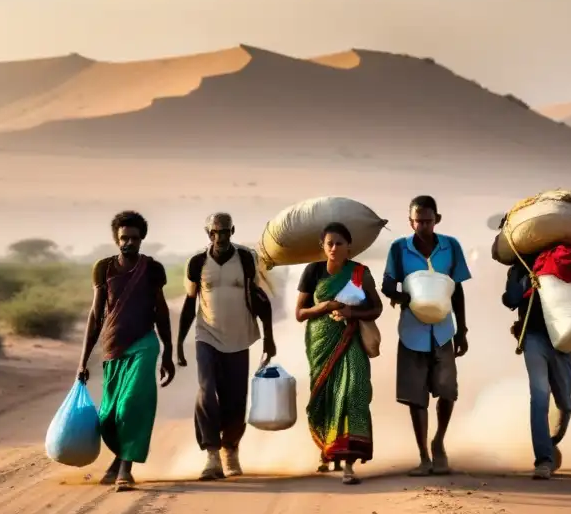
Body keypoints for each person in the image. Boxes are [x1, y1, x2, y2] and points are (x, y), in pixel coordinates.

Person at [77, 211, 175, 491]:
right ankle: (118, 460)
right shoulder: (104, 269)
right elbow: (96, 316)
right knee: (110, 416)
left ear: (142, 239)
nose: (128, 242)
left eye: (134, 238)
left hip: (144, 344)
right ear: (116, 239)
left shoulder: (153, 269)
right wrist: (82, 361)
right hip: (112, 348)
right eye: (123, 238)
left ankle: (125, 470)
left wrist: (168, 351)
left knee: (132, 405)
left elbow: (162, 311)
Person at [177, 212, 276, 481]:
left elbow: (259, 298)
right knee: (207, 391)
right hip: (206, 335)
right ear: (207, 233)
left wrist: (268, 337)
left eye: (224, 232)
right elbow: (189, 303)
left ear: (232, 231)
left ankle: (230, 449)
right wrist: (178, 345)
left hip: (239, 336)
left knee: (235, 399)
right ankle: (211, 454)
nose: (219, 237)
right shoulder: (197, 262)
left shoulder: (245, 258)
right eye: (214, 232)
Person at [381, 196, 471, 476]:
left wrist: (462, 330)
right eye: (418, 221)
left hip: (444, 331)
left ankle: (439, 442)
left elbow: (457, 290)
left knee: (447, 390)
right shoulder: (398, 248)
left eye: (428, 221)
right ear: (410, 221)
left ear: (437, 220)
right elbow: (387, 284)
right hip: (412, 331)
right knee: (416, 396)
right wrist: (402, 297)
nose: (423, 225)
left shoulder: (450, 246)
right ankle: (423, 456)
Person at [295, 222, 382, 485]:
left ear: (349, 247)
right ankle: (327, 450)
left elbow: (376, 308)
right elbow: (300, 313)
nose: (334, 248)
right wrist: (326, 306)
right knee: (325, 396)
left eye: (339, 243)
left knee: (354, 389)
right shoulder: (313, 271)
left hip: (351, 338)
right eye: (329, 243)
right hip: (320, 342)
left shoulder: (360, 273)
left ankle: (348, 462)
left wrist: (350, 313)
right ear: (322, 246)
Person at [501, 250, 571, 481]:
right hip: (533, 337)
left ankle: (551, 444)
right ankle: (543, 459)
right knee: (540, 397)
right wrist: (523, 277)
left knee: (564, 401)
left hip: (562, 338)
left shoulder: (566, 260)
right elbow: (511, 300)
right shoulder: (520, 267)